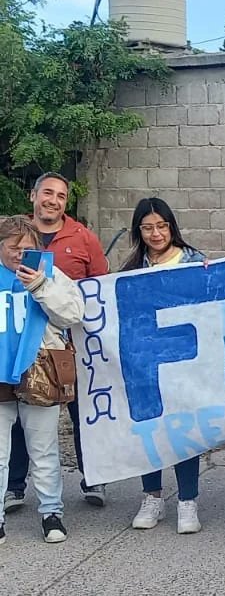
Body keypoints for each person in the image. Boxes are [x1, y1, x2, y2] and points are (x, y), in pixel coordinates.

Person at [4, 173, 109, 514]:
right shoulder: (14, 233)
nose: (53, 199)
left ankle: (89, 481)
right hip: (9, 356)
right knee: (15, 429)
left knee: (72, 419)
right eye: (47, 192)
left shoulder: (82, 237)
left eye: (61, 195)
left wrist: (44, 287)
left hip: (62, 350)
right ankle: (14, 487)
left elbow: (97, 288)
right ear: (33, 195)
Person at [122, 198, 207, 534]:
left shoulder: (194, 261)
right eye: (147, 227)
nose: (156, 233)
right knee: (150, 430)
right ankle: (152, 496)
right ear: (138, 231)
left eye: (161, 226)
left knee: (185, 430)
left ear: (171, 227)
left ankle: (188, 501)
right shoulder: (131, 270)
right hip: (147, 364)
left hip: (185, 359)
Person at [0, 216, 84, 544]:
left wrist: (39, 286)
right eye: (13, 247)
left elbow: (72, 313)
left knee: (43, 448)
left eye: (28, 248)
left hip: (40, 368)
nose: (20, 254)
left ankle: (52, 512)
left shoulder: (51, 274)